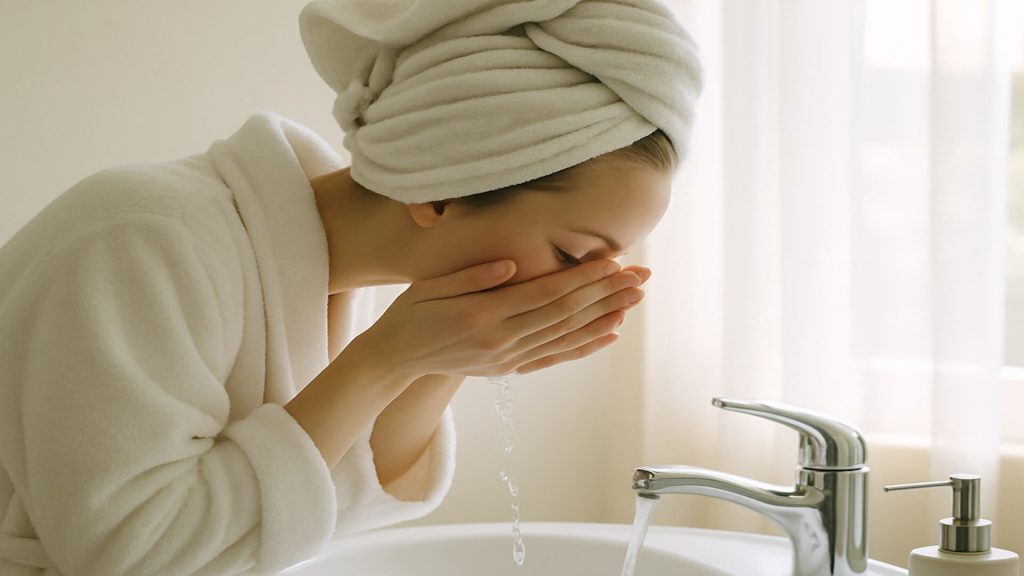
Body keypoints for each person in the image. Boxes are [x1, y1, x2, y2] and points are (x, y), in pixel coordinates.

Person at [0, 0, 702, 574]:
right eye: (574, 252)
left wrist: (447, 356)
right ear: (439, 188)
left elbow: (328, 515)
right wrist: (386, 357)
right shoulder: (142, 237)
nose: (592, 284)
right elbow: (130, 558)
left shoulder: (328, 278)